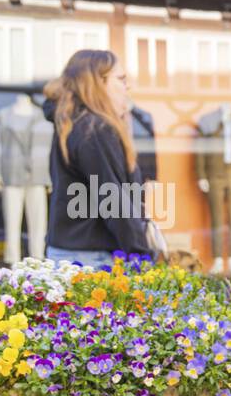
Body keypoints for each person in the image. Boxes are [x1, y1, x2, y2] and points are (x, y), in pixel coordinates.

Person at [43, 49, 154, 266]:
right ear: (98, 83)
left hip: (72, 251)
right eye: (121, 79)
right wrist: (141, 254)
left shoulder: (73, 122)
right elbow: (112, 198)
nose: (127, 86)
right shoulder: (93, 129)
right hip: (91, 257)